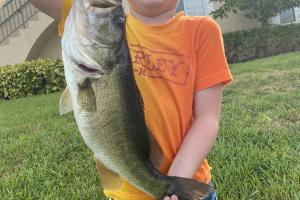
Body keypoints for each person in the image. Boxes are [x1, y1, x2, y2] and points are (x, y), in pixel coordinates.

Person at [29, 0, 233, 199]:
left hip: (186, 183)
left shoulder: (203, 30)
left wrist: (175, 180)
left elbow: (207, 118)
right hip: (126, 194)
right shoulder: (97, 17)